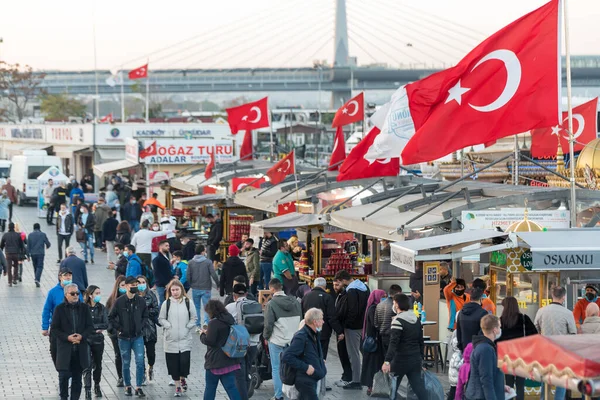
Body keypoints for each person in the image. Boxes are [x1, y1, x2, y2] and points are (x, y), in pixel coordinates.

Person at [51, 282, 95, 400]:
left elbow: (90, 327)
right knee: (63, 377)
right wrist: (67, 337)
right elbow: (54, 329)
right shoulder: (59, 309)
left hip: (79, 350)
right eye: (73, 293)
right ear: (66, 295)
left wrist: (81, 336)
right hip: (65, 350)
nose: (76, 295)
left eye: (77, 293)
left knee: (77, 379)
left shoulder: (84, 308)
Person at [381, 293, 428, 400]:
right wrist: (421, 359)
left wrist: (387, 361)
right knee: (419, 389)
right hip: (415, 359)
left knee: (391, 389)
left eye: (394, 303)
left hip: (400, 360)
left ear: (397, 304)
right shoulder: (416, 319)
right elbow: (421, 341)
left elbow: (393, 343)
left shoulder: (398, 321)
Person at [108, 276, 148, 397]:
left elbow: (145, 316)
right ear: (126, 286)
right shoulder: (119, 301)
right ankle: (127, 386)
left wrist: (141, 326)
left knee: (140, 361)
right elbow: (110, 317)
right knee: (126, 362)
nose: (135, 287)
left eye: (136, 284)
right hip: (124, 338)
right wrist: (119, 329)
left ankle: (139, 386)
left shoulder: (141, 301)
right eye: (132, 285)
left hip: (137, 336)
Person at [534, 286, 576, 400]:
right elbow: (573, 334)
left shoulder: (541, 311)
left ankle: (544, 398)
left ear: (552, 295)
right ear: (564, 297)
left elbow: (535, 329)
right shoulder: (568, 313)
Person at [263, 278, 302, 400]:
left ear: (272, 289)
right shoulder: (295, 302)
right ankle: (294, 394)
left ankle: (279, 395)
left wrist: (265, 337)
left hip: (277, 340)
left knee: (276, 367)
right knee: (294, 367)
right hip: (294, 340)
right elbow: (300, 319)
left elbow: (268, 324)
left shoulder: (271, 304)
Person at [159, 279, 197, 397]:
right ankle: (177, 387)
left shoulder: (188, 302)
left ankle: (182, 378)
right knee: (173, 365)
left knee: (184, 363)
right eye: (173, 290)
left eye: (177, 289)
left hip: (185, 340)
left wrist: (188, 327)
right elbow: (161, 319)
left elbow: (194, 318)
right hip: (171, 340)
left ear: (181, 289)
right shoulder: (167, 303)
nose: (175, 292)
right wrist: (168, 326)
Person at [334, 270, 370, 390]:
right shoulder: (364, 287)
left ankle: (356, 380)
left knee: (353, 354)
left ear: (343, 280)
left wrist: (347, 324)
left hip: (352, 327)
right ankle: (369, 376)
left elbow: (352, 311)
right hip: (363, 325)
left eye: (340, 282)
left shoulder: (351, 291)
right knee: (363, 352)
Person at [200, 299, 242, 400]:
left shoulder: (213, 323)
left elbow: (210, 341)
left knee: (210, 388)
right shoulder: (230, 319)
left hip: (215, 361)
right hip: (229, 359)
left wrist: (202, 334)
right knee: (231, 388)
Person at [497, 296, 538, 400]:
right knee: (520, 385)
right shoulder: (524, 319)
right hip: (521, 356)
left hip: (506, 357)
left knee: (508, 384)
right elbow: (535, 336)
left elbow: (496, 340)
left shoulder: (500, 321)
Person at [283, 308, 328, 400]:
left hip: (312, 379)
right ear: (315, 322)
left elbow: (309, 353)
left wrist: (319, 361)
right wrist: (306, 367)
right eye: (321, 319)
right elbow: (287, 356)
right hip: (305, 380)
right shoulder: (302, 336)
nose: (323, 322)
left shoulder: (314, 334)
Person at [225, 283, 260, 400]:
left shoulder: (229, 307)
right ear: (246, 293)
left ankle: (242, 397)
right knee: (247, 370)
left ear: (234, 295)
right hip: (253, 344)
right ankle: (246, 390)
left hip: (239, 346)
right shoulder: (256, 305)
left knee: (239, 373)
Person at [464, 315, 507, 400]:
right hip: (480, 396)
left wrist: (501, 386)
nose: (500, 330)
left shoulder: (483, 346)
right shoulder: (486, 349)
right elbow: (486, 379)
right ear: (495, 330)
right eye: (499, 327)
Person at [301, 277, 343, 360]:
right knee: (322, 357)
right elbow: (331, 317)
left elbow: (302, 315)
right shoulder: (327, 297)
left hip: (308, 331)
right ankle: (320, 371)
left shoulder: (305, 297)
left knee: (311, 355)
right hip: (323, 332)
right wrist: (339, 331)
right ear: (325, 286)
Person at [42, 268, 76, 366]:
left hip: (72, 328)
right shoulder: (53, 292)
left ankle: (68, 374)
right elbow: (46, 310)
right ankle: (62, 371)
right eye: (66, 275)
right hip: (57, 329)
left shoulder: (76, 291)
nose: (68, 277)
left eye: (70, 275)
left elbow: (82, 307)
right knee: (55, 353)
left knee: (72, 355)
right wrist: (45, 327)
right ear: (60, 277)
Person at [83, 285, 108, 400]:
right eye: (96, 293)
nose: (98, 295)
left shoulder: (102, 308)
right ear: (90, 295)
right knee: (87, 365)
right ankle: (88, 389)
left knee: (97, 364)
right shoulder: (83, 308)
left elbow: (106, 324)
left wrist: (92, 327)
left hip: (98, 340)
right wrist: (94, 328)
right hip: (86, 339)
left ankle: (97, 384)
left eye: (99, 293)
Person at [360, 289, 387, 395]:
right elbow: (376, 324)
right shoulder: (373, 309)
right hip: (374, 343)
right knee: (373, 365)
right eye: (382, 296)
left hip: (374, 341)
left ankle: (374, 386)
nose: (383, 298)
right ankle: (371, 386)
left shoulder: (374, 307)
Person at [187, 244, 219, 330]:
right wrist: (218, 284)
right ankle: (206, 323)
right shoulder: (208, 262)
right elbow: (213, 274)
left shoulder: (190, 262)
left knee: (197, 307)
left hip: (195, 288)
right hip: (206, 288)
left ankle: (197, 325)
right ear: (202, 252)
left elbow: (188, 276)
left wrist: (191, 284)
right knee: (207, 306)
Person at [137, 275, 159, 384]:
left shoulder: (151, 295)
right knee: (140, 355)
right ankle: (142, 374)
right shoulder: (134, 296)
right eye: (139, 282)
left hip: (150, 329)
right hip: (138, 330)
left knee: (151, 354)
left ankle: (150, 367)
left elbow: (156, 309)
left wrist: (145, 312)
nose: (141, 284)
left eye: (143, 282)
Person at [105, 276, 127, 387]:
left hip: (128, 332)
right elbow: (107, 317)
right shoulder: (111, 300)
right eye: (122, 285)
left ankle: (128, 375)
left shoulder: (132, 298)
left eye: (125, 285)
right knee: (118, 354)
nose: (124, 288)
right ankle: (120, 377)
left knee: (126, 355)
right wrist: (112, 330)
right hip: (115, 333)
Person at [456, 278, 488, 351]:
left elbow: (459, 333)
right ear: (481, 299)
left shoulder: (461, 313)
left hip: (465, 349)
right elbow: (483, 334)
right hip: (478, 349)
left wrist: (461, 348)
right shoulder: (483, 313)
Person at [333, 279, 353, 387]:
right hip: (341, 329)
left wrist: (341, 330)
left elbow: (342, 313)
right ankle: (346, 375)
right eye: (334, 284)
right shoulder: (340, 296)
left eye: (337, 284)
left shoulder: (345, 296)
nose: (335, 287)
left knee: (344, 353)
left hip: (343, 329)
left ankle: (348, 377)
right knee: (342, 353)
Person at [374, 284, 402, 354]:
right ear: (398, 293)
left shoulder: (379, 305)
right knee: (395, 359)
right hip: (394, 336)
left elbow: (376, 323)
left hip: (383, 336)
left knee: (386, 359)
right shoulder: (396, 306)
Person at [0, 222, 25, 286]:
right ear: (14, 227)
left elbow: (2, 244)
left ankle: (10, 281)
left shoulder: (5, 235)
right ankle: (14, 279)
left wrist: (2, 250)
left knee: (9, 267)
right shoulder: (17, 235)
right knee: (16, 266)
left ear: (8, 227)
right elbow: (21, 245)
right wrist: (21, 252)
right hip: (16, 253)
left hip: (8, 253)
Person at [27, 222, 51, 287]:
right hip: (40, 253)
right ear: (39, 228)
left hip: (33, 253)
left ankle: (36, 278)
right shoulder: (43, 234)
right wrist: (47, 246)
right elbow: (48, 243)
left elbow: (28, 246)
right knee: (40, 266)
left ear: (33, 228)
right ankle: (37, 279)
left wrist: (28, 255)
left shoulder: (30, 235)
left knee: (35, 266)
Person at [152, 239, 173, 306]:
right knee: (162, 302)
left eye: (168, 246)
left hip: (168, 283)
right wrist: (165, 283)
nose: (168, 247)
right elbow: (157, 273)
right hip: (162, 284)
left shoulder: (166, 257)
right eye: (166, 246)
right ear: (161, 247)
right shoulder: (157, 259)